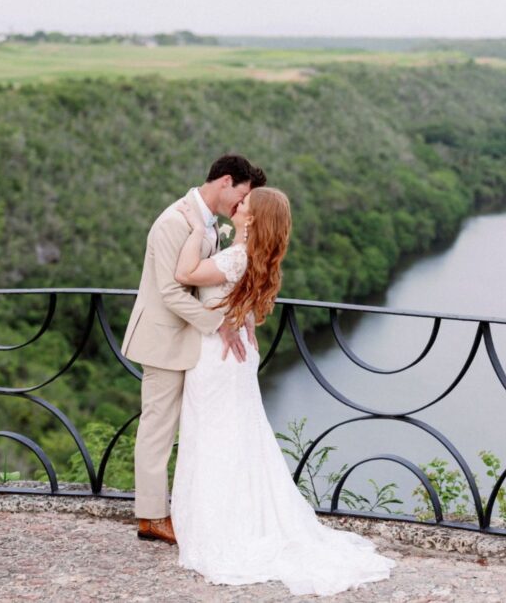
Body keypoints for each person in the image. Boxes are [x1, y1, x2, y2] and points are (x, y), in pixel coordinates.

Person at [169, 186, 395, 597]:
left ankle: (220, 527)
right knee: (237, 439)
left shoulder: (237, 256)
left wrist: (193, 228)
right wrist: (239, 322)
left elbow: (184, 274)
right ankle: (234, 517)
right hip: (233, 355)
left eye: (245, 206)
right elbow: (243, 308)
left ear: (252, 220)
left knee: (216, 439)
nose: (238, 206)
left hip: (217, 359)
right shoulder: (252, 256)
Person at [122, 154, 266, 544]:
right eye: (242, 195)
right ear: (225, 182)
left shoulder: (210, 223)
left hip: (195, 344)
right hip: (166, 340)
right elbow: (171, 291)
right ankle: (151, 517)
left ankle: (199, 509)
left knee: (203, 430)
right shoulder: (174, 221)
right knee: (158, 430)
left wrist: (240, 319)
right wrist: (220, 324)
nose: (241, 204)